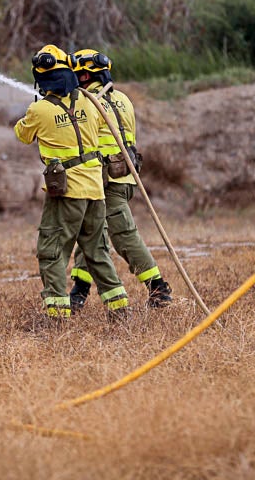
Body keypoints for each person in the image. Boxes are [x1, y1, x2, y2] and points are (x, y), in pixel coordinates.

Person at [14, 44, 130, 319]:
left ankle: (56, 315)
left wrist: (37, 107)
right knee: (97, 251)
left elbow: (22, 134)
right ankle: (120, 310)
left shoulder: (39, 110)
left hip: (67, 193)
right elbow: (102, 130)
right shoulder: (92, 102)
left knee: (52, 251)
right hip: (95, 190)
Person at [66, 49, 173, 312]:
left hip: (108, 179)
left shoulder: (88, 100)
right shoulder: (121, 98)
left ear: (87, 74)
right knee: (92, 232)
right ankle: (80, 288)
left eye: (77, 73)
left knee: (122, 234)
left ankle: (158, 288)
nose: (74, 78)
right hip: (123, 176)